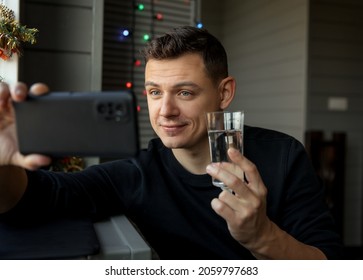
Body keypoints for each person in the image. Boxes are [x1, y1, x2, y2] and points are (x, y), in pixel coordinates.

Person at [0, 26, 341, 259]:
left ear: (224, 92)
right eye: (154, 92)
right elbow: (39, 197)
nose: (166, 111)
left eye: (184, 92)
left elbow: (331, 268)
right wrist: (3, 160)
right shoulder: (137, 173)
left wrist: (262, 236)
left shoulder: (283, 156)